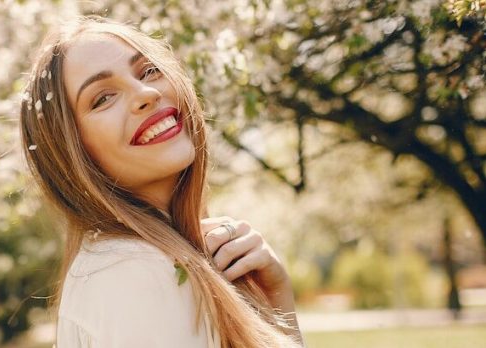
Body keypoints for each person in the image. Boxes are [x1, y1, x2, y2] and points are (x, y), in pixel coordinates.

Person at [19, 17, 303, 348]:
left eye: (148, 71)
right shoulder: (133, 276)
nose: (146, 93)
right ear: (70, 153)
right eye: (102, 98)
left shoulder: (133, 265)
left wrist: (277, 303)